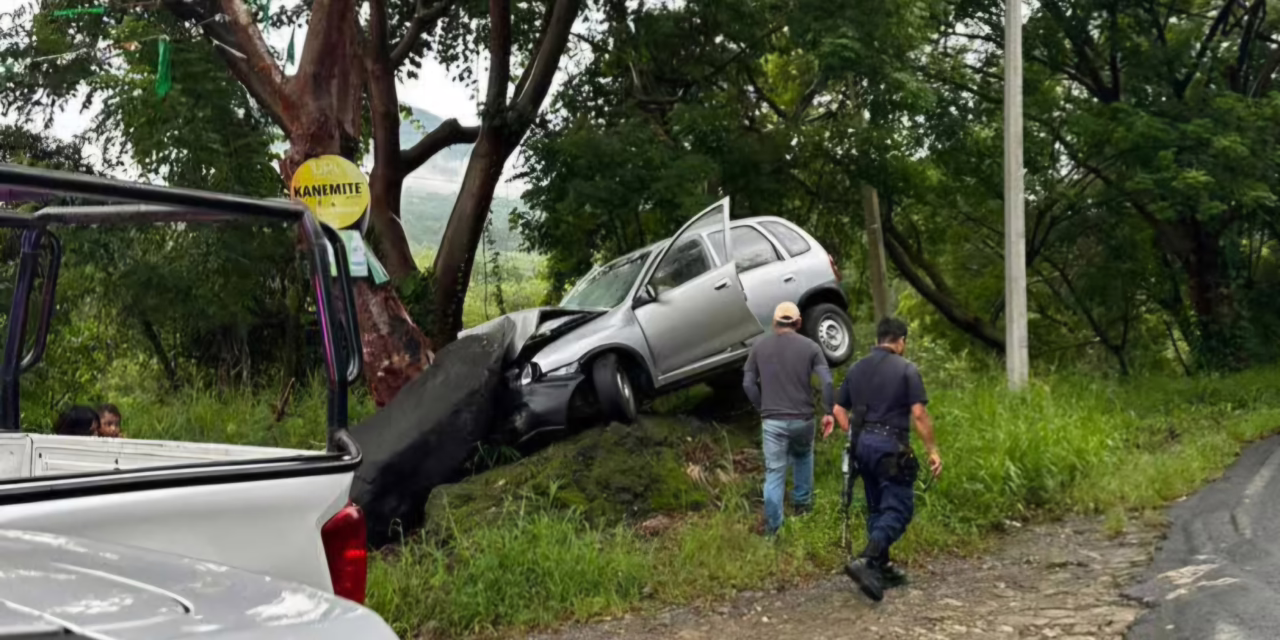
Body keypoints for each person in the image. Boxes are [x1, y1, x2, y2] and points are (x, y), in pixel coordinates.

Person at [827, 316, 941, 602]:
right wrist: (932, 451)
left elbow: (839, 411)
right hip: (891, 446)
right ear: (900, 341)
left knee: (877, 507)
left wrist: (858, 435)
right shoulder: (907, 370)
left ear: (879, 339)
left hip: (861, 446)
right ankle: (867, 560)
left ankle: (883, 567)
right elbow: (919, 414)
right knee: (899, 509)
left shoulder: (856, 368)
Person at [743, 301, 835, 537]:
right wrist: (828, 411)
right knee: (803, 456)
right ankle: (803, 509)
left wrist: (762, 407)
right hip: (803, 419)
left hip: (773, 421)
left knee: (775, 472)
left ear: (774, 323)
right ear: (799, 323)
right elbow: (826, 381)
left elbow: (747, 383)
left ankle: (774, 530)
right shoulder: (811, 347)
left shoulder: (759, 346)